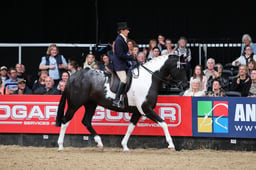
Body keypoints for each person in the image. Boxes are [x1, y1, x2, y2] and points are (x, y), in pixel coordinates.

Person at [111, 22, 135, 107]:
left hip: (122, 63)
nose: (128, 31)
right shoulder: (119, 40)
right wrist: (131, 58)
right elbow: (120, 54)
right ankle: (116, 100)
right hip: (119, 63)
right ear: (122, 30)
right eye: (127, 30)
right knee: (124, 79)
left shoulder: (123, 39)